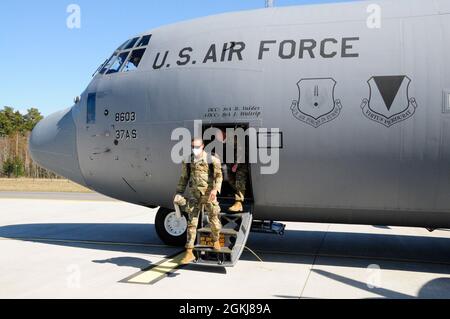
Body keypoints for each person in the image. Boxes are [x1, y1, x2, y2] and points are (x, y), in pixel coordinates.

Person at [176, 137, 223, 264]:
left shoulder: (212, 159)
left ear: (202, 146)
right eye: (192, 147)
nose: (194, 149)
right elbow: (184, 178)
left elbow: (219, 176)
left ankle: (216, 239)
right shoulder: (188, 160)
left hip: (209, 195)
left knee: (214, 220)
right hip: (194, 195)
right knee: (192, 223)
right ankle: (189, 252)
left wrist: (215, 190)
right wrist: (178, 193)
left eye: (197, 147)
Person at [215, 129, 248, 213]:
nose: (217, 137)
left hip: (241, 163)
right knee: (230, 179)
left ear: (222, 133)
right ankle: (242, 193)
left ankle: (239, 202)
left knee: (239, 179)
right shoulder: (223, 141)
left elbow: (240, 151)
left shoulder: (232, 138)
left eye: (218, 135)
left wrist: (236, 164)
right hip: (231, 164)